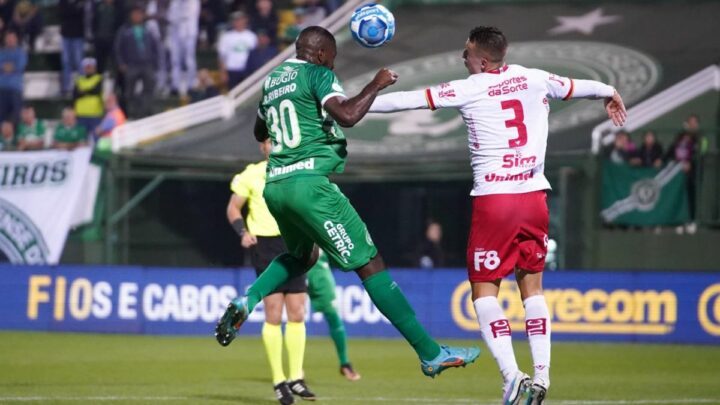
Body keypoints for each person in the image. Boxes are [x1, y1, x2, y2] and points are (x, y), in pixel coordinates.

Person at [368, 26, 626, 405]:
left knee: (485, 291)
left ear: (483, 61)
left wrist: (350, 100)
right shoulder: (535, 79)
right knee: (533, 290)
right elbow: (580, 85)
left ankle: (511, 377)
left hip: (495, 200)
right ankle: (542, 378)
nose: (462, 58)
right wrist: (609, 92)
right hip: (534, 197)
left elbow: (406, 100)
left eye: (467, 53)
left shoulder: (469, 89)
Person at [215, 26, 480, 383]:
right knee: (371, 263)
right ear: (322, 54)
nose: (333, 64)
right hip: (311, 186)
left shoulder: (274, 79)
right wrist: (377, 82)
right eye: (334, 58)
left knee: (301, 256)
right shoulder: (318, 74)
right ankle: (430, 353)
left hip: (276, 185)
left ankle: (248, 299)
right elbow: (349, 115)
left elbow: (259, 132)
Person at [227, 139, 362, 393]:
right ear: (261, 147)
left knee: (298, 312)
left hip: (294, 242)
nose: (273, 145)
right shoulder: (252, 174)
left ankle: (296, 378)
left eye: (276, 140)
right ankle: (279, 381)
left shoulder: (296, 169)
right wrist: (242, 231)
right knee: (274, 314)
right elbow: (233, 208)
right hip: (265, 246)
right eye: (268, 141)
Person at [114, 6, 160, 118]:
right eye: (135, 14)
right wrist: (121, 63)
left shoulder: (148, 30)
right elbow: (117, 48)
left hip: (147, 64)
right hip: (131, 65)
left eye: (139, 14)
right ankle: (132, 113)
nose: (137, 16)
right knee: (129, 91)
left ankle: (144, 112)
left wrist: (155, 62)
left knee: (149, 89)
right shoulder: (124, 30)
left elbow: (155, 47)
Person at [167, 0, 200, 96]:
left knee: (189, 60)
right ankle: (175, 86)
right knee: (175, 60)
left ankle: (190, 85)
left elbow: (189, 15)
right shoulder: (174, 2)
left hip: (188, 31)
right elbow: (170, 17)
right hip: (175, 31)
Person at [217, 11, 257, 89]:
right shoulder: (226, 36)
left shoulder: (252, 36)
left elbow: (256, 55)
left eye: (241, 19)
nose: (239, 22)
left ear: (245, 20)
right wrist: (223, 73)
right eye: (236, 20)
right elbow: (222, 56)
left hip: (247, 71)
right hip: (231, 70)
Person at [59, 0, 85, 96]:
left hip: (78, 35)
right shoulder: (63, 1)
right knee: (65, 62)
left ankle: (82, 86)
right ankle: (66, 88)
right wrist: (74, 9)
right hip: (66, 35)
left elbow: (81, 14)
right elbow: (63, 13)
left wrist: (72, 10)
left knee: (79, 62)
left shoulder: (82, 2)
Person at [0, 30, 25, 125]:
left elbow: (19, 66)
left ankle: (15, 139)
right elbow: (13, 67)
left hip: (16, 90)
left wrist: (4, 67)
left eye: (12, 38)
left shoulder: (21, 53)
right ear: (5, 40)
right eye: (8, 38)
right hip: (1, 89)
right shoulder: (1, 52)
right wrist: (11, 66)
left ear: (16, 39)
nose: (10, 40)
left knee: (16, 118)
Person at [73, 57, 104, 134]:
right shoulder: (79, 80)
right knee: (81, 140)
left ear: (94, 68)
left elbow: (96, 91)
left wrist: (83, 91)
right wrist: (89, 91)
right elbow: (75, 94)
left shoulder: (99, 78)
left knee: (96, 139)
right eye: (87, 67)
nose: (89, 68)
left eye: (91, 66)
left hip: (95, 115)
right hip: (81, 114)